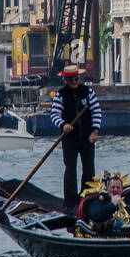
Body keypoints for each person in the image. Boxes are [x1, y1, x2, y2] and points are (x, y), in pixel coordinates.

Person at [51, 64, 102, 211]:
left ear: (79, 78)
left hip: (87, 137)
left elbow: (96, 111)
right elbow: (54, 115)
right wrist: (63, 125)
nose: (74, 81)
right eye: (71, 79)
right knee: (70, 169)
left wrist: (95, 131)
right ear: (65, 80)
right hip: (70, 138)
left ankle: (87, 198)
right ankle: (71, 202)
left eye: (76, 78)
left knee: (88, 168)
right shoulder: (60, 95)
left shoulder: (88, 92)